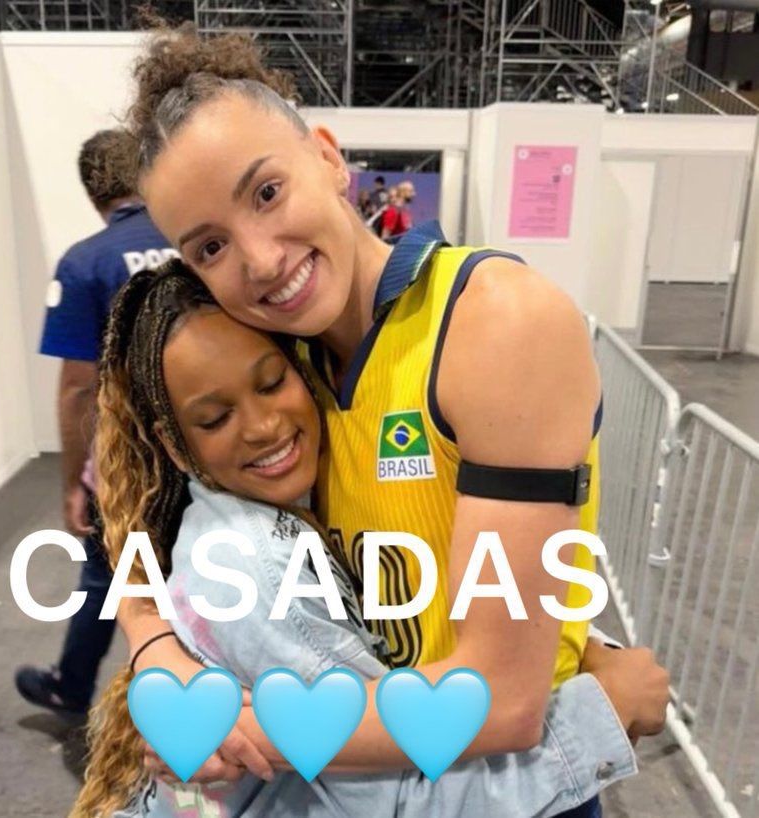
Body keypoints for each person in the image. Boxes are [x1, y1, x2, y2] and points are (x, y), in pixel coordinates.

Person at [115, 23, 669, 816]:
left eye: (266, 193)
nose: (261, 259)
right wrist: (155, 643)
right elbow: (138, 495)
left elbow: (502, 701)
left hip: (507, 793)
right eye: (210, 247)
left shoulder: (495, 322)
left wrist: (234, 733)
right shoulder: (283, 360)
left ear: (328, 158)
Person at [71, 264, 663, 818]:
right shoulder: (257, 567)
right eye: (215, 419)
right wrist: (605, 711)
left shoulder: (297, 493)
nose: (263, 426)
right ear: (174, 446)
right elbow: (399, 800)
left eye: (272, 382)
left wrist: (569, 644)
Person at [14, 129, 175, 715]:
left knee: (107, 572)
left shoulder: (85, 263)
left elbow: (79, 387)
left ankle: (73, 685)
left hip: (133, 461)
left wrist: (72, 483)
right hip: (215, 451)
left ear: (92, 194)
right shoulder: (200, 239)